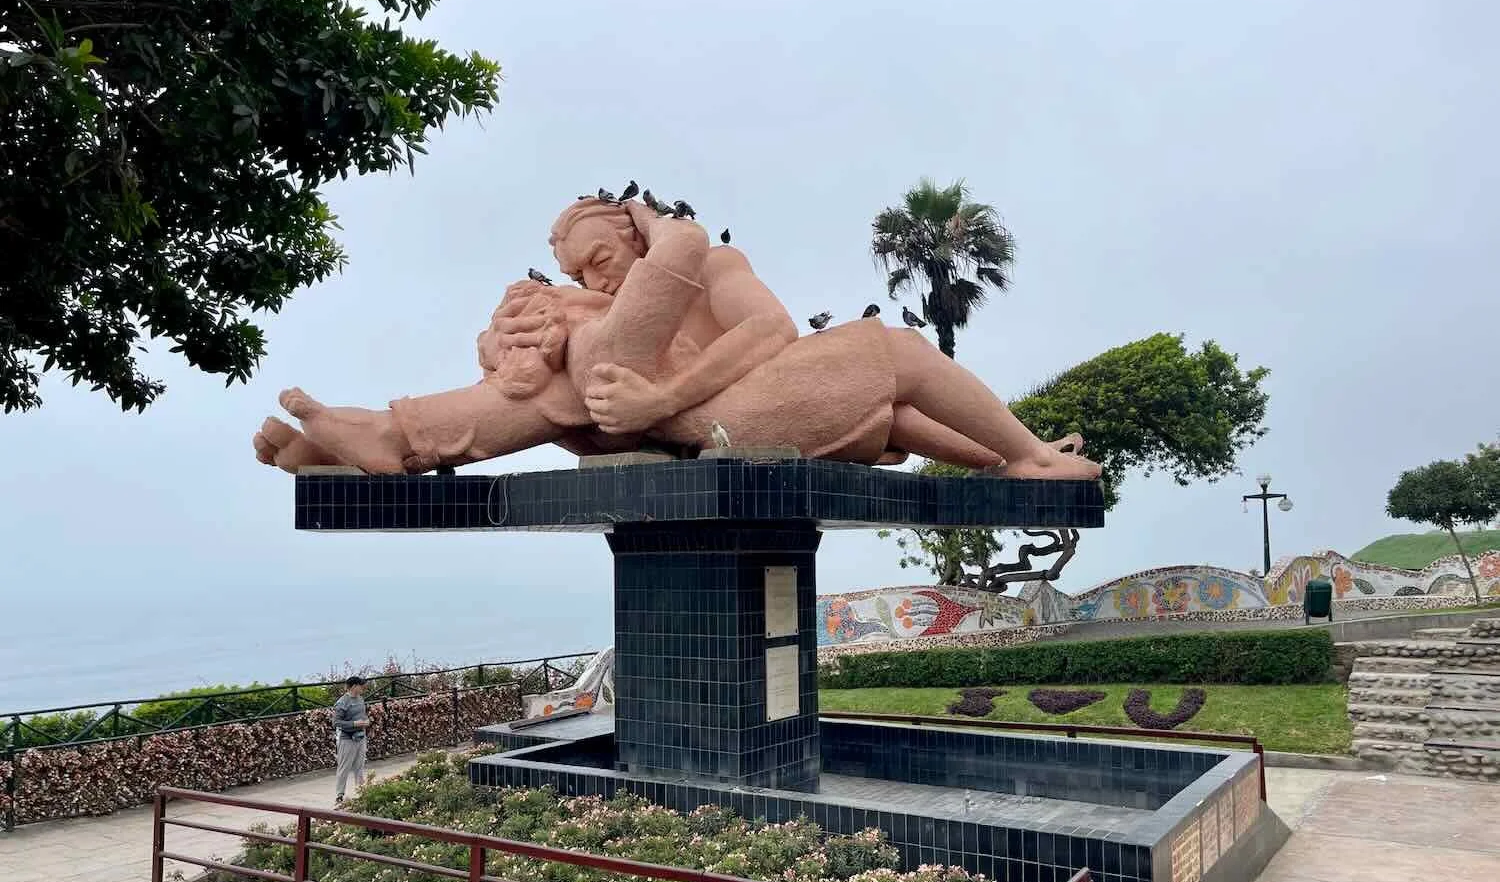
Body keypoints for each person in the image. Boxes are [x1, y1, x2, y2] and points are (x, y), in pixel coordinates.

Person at [258, 268, 1101, 481]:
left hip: (729, 414)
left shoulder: (704, 263)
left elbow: (779, 334)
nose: (596, 275)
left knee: (892, 357)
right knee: (895, 353)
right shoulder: (608, 325)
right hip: (707, 428)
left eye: (596, 256)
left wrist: (992, 458)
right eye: (576, 266)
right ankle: (377, 442)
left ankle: (383, 441)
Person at [332, 675, 370, 805]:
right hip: (347, 739)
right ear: (354, 686)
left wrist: (365, 721)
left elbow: (362, 715)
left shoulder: (360, 699)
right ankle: (339, 795)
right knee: (344, 767)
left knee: (359, 766)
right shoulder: (342, 702)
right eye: (361, 685)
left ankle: (362, 791)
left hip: (360, 737)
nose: (363, 688)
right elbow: (336, 722)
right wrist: (354, 724)